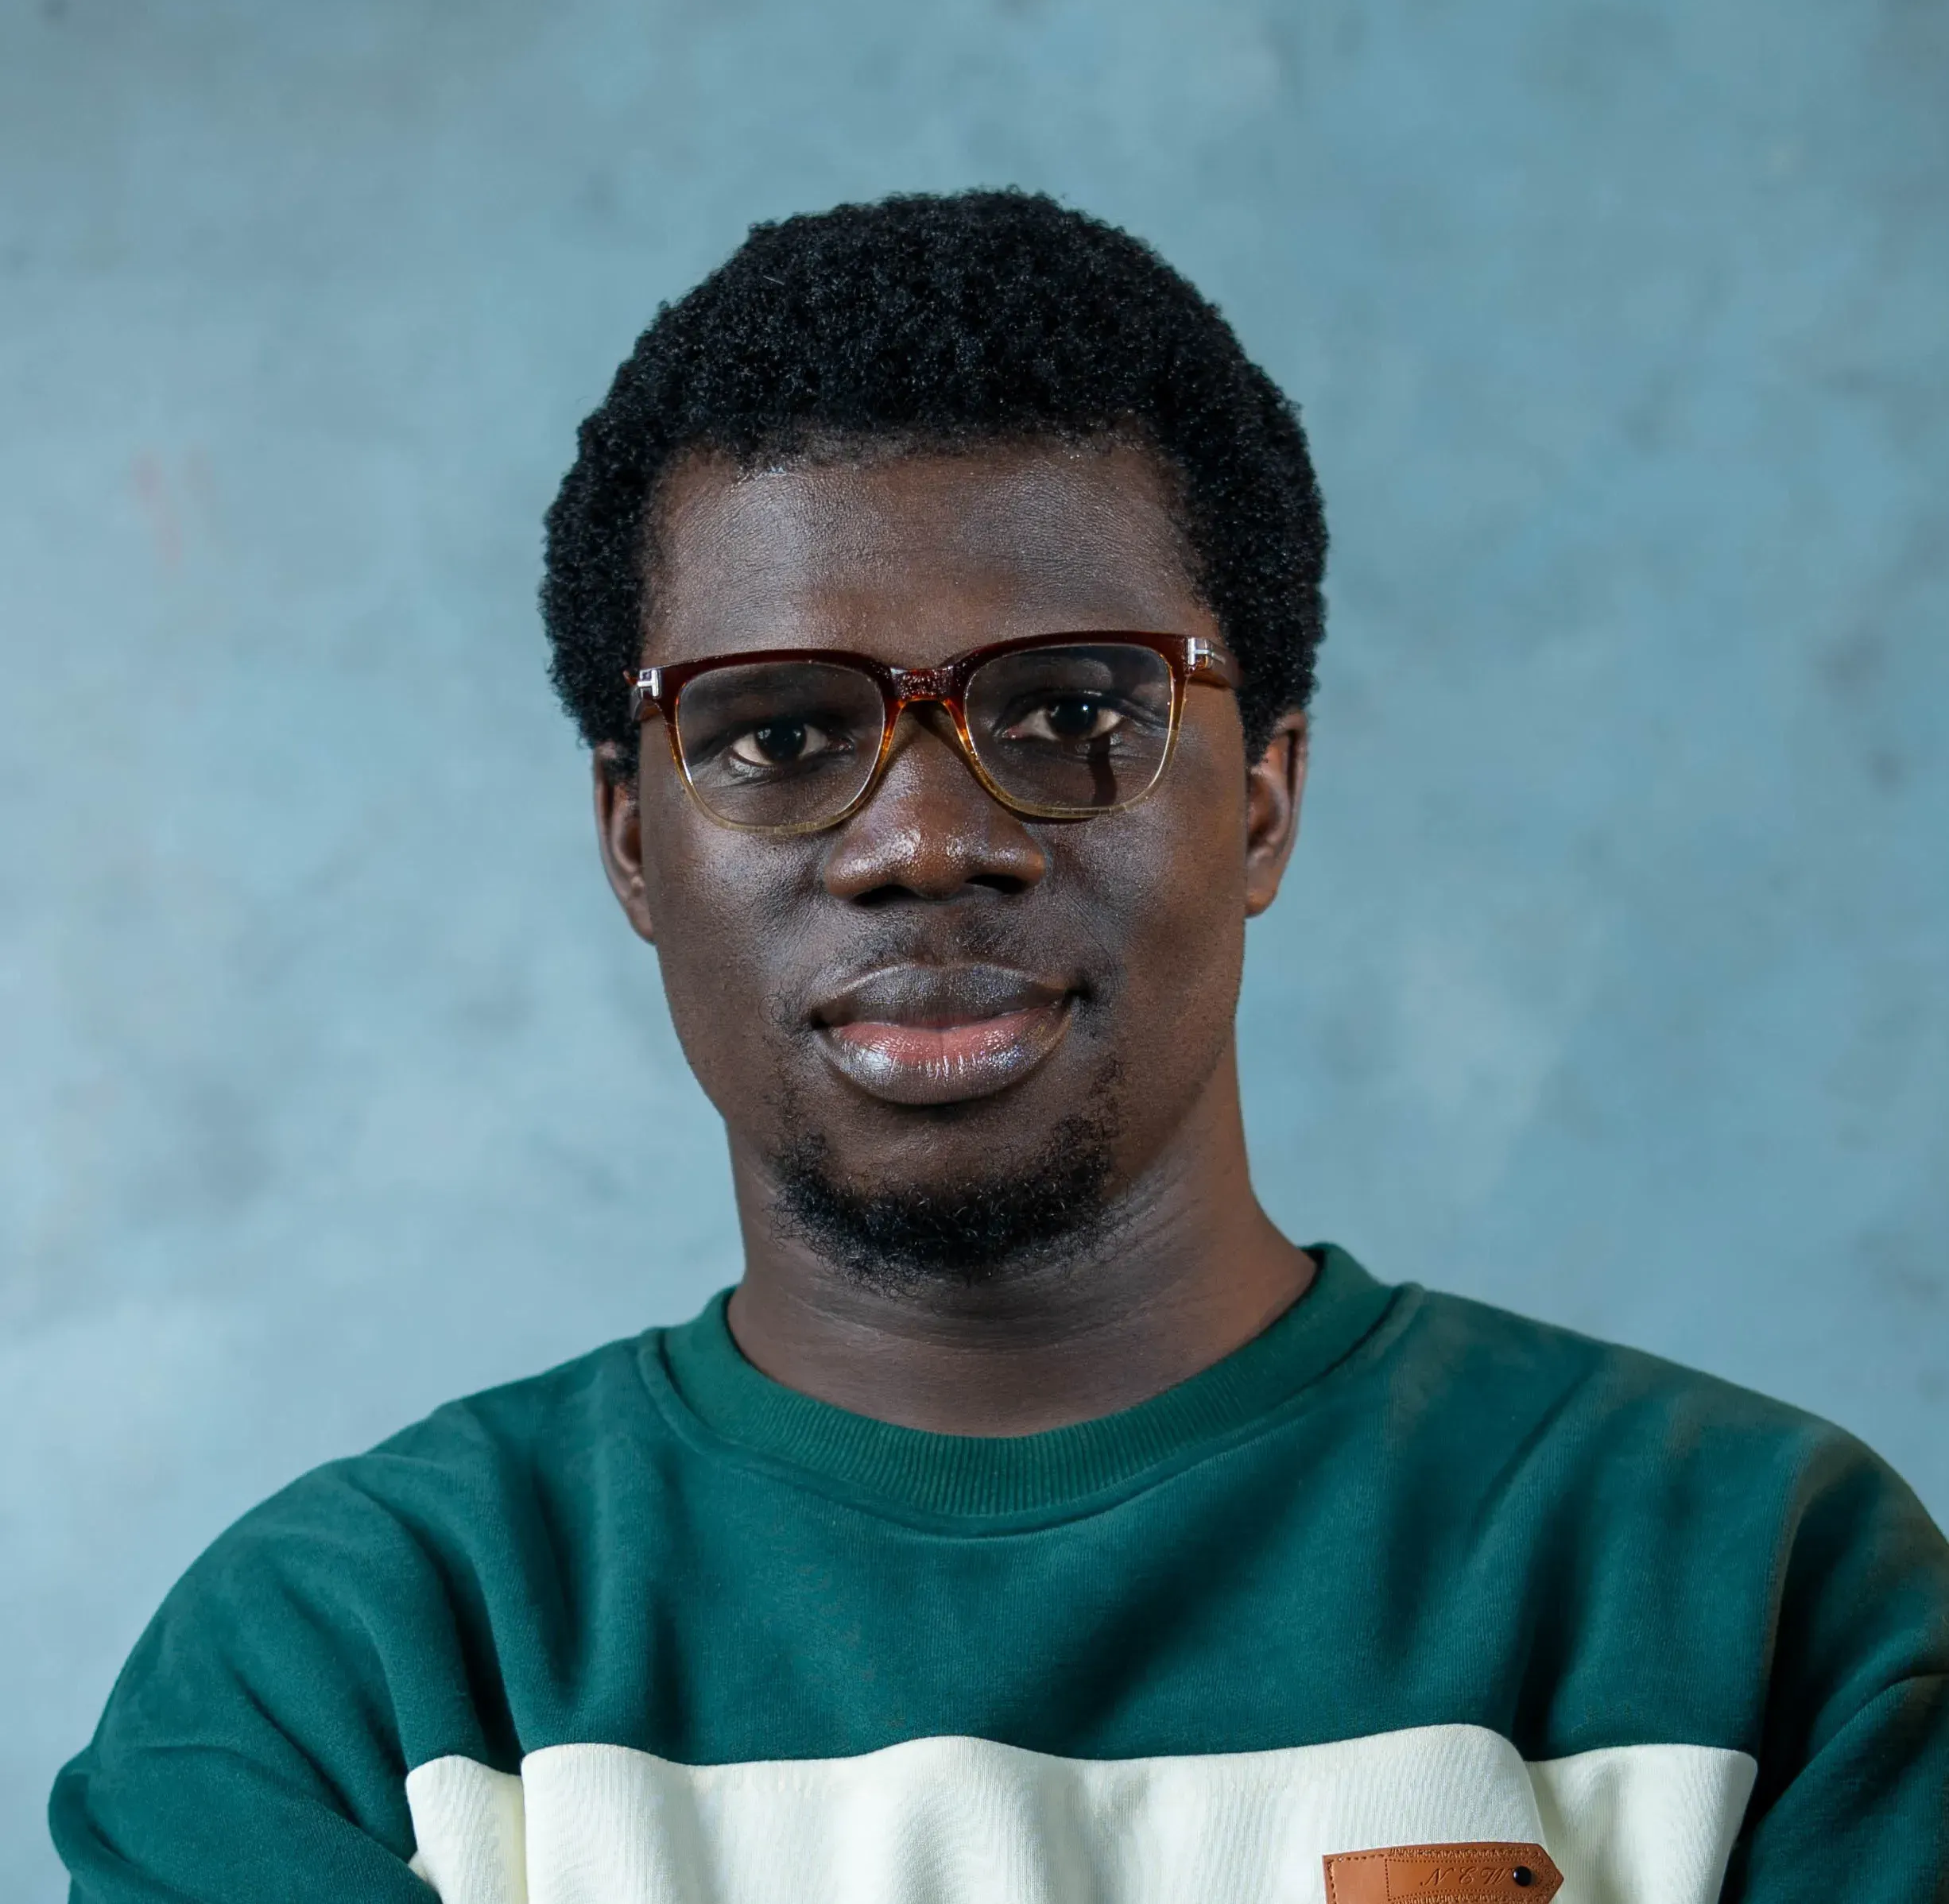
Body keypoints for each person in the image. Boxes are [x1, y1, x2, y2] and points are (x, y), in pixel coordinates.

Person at [52, 192, 1947, 1904]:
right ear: (635, 842)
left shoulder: (1751, 1596)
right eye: (777, 733)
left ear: (1262, 800)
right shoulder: (357, 1672)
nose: (924, 839)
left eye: (1068, 711)